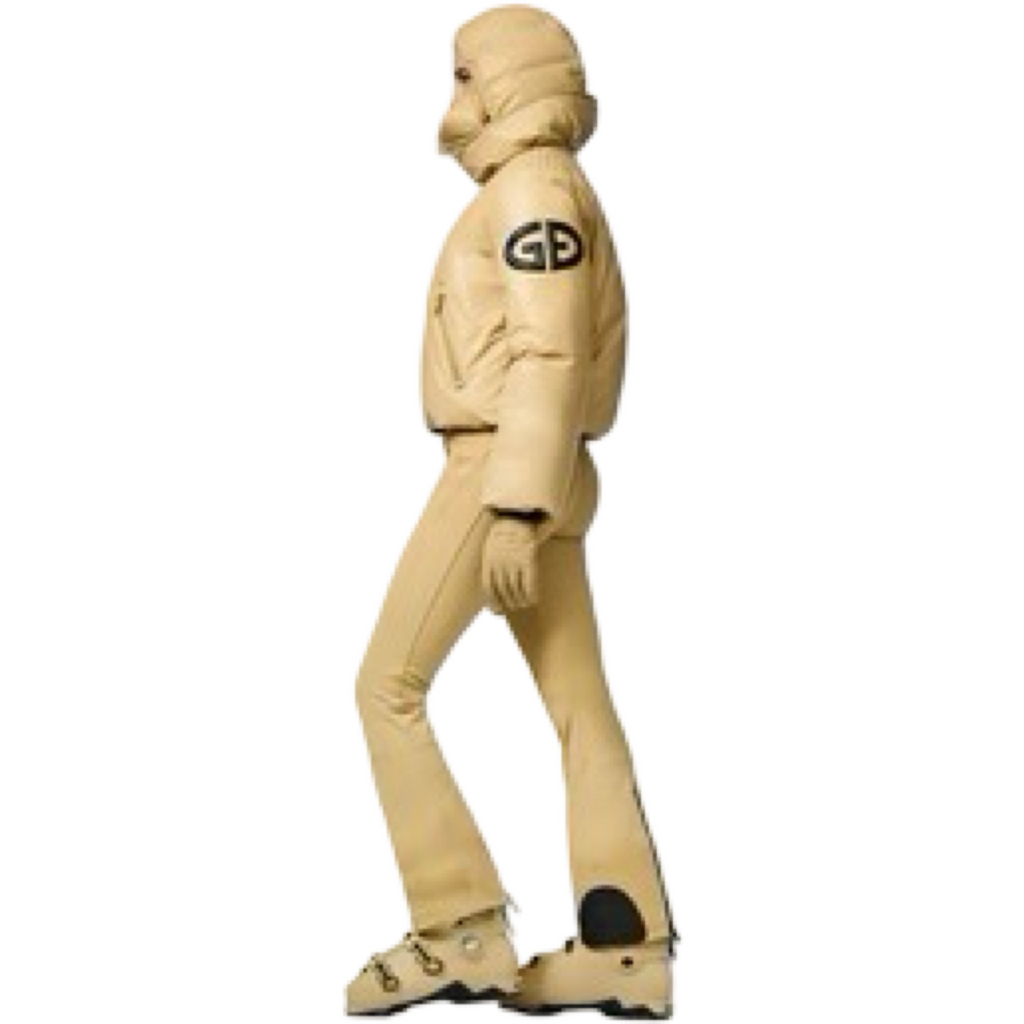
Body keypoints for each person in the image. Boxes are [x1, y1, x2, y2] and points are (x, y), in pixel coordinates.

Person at [346, 6, 677, 1018]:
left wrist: (514, 505)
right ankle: (627, 948)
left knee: (387, 686)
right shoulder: (536, 185)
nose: (454, 100)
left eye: (465, 75)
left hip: (501, 464)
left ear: (509, 81)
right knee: (579, 706)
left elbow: (551, 349)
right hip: (539, 462)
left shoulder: (532, 188)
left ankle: (458, 927)